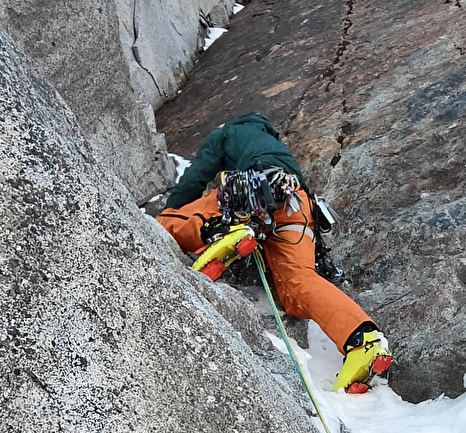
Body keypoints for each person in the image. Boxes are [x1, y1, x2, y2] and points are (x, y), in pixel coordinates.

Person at [156, 113, 392, 393]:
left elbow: (195, 178)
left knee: (165, 223)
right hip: (297, 203)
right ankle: (363, 340)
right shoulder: (277, 148)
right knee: (298, 282)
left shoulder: (227, 133)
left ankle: (221, 230)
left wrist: (173, 208)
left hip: (249, 190)